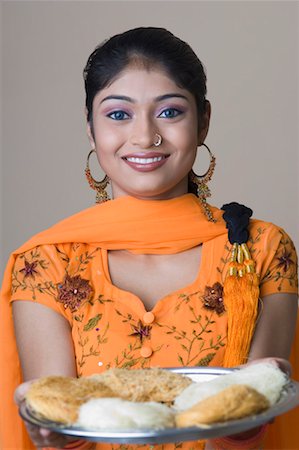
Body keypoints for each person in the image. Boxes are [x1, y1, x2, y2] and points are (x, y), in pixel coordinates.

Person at [0, 27, 298, 450]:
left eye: (170, 112)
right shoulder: (47, 260)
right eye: (118, 114)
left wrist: (248, 417)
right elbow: (64, 425)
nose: (145, 137)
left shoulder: (258, 249)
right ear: (90, 128)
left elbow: (244, 430)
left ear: (204, 121)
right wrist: (50, 433)